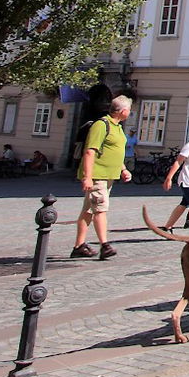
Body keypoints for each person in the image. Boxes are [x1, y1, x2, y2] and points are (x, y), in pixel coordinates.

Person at [71, 95, 133, 259]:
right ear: (123, 111)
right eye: (129, 110)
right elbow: (90, 151)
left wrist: (123, 169)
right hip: (98, 176)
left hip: (108, 176)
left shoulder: (118, 127)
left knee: (88, 211)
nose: (130, 113)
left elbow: (115, 151)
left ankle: (79, 246)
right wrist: (87, 177)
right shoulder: (101, 125)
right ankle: (104, 245)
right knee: (100, 209)